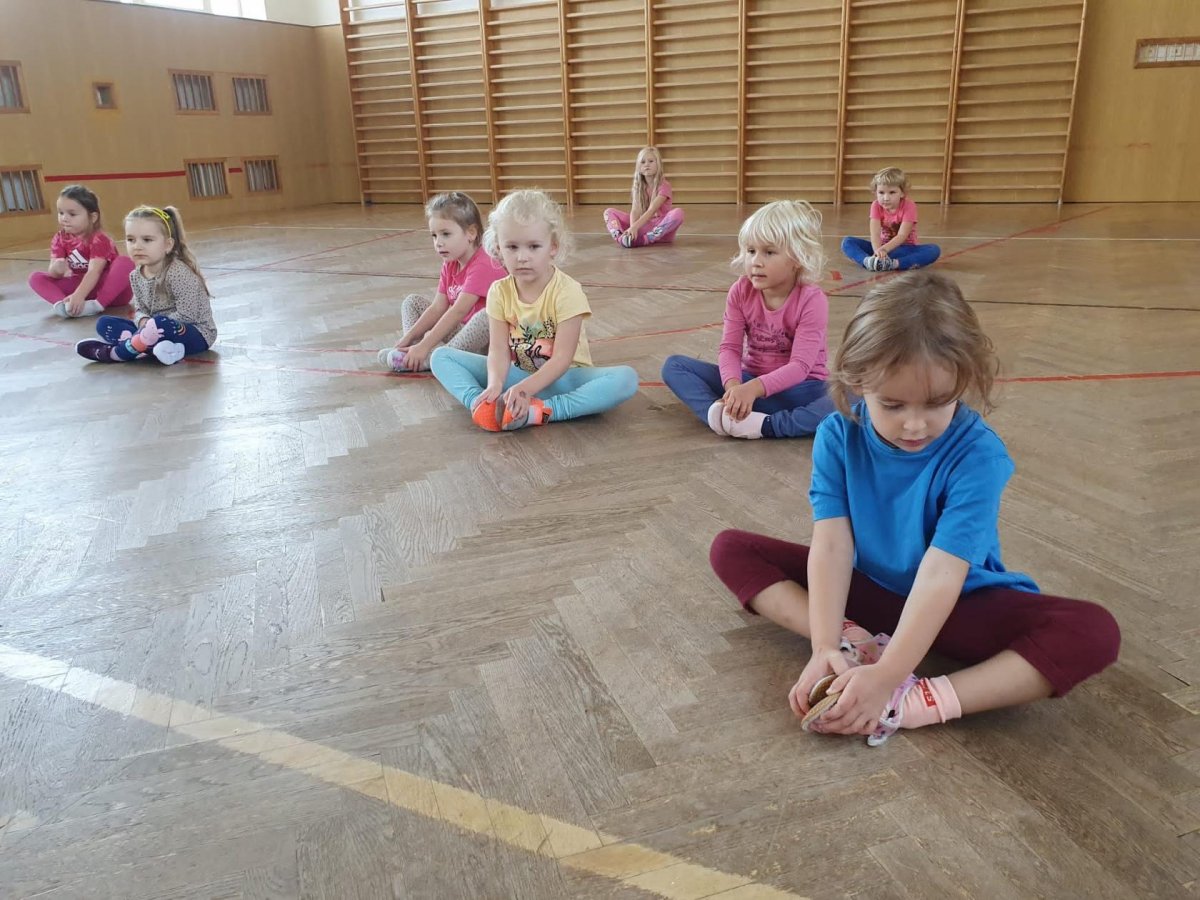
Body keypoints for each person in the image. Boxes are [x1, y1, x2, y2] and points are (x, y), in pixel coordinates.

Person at [710, 271, 1120, 746]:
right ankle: (851, 645)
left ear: (965, 382)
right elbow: (832, 544)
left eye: (938, 403)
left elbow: (943, 574)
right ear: (857, 381)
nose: (915, 425)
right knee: (731, 549)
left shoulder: (978, 454)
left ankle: (911, 703)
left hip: (959, 605)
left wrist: (888, 680)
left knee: (1094, 631)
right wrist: (824, 645)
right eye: (893, 405)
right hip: (874, 592)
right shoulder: (837, 435)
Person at [430, 190, 638, 431]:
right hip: (518, 376)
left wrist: (525, 390)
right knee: (441, 357)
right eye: (512, 247)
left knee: (626, 379)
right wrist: (495, 384)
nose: (522, 257)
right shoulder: (499, 291)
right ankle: (484, 407)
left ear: (553, 247)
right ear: (498, 248)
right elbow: (498, 351)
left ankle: (543, 411)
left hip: (565, 379)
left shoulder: (568, 291)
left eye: (533, 247)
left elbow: (562, 359)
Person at [661, 200, 835, 439]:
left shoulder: (812, 299)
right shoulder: (740, 291)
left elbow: (800, 367)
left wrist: (752, 390)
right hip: (748, 382)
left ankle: (768, 425)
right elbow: (729, 348)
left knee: (851, 396)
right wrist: (734, 388)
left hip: (800, 389)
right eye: (751, 251)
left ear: (797, 258)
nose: (756, 261)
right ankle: (722, 415)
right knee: (674, 366)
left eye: (769, 252)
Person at [377, 191, 507, 373]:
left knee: (488, 315)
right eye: (434, 235)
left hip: (489, 342)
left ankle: (435, 359)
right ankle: (409, 353)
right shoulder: (450, 263)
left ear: (471, 233)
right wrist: (407, 340)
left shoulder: (484, 263)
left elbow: (458, 311)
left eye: (446, 234)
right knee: (412, 302)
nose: (438, 242)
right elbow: (438, 307)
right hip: (462, 333)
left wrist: (425, 345)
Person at [75, 206, 217, 365]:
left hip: (194, 333)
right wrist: (143, 321)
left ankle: (119, 353)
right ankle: (158, 348)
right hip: (152, 330)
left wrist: (151, 326)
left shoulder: (178, 272)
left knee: (160, 324)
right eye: (131, 240)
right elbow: (140, 309)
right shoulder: (135, 275)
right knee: (104, 323)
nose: (137, 246)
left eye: (147, 240)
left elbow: (188, 315)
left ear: (168, 245)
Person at [28, 184, 135, 316]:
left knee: (125, 262)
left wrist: (79, 295)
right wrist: (57, 269)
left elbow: (94, 272)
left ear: (93, 217)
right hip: (81, 288)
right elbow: (53, 272)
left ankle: (96, 305)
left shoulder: (99, 239)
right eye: (61, 213)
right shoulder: (60, 238)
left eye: (72, 214)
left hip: (111, 293)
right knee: (36, 278)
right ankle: (65, 307)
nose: (64, 218)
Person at [841, 167, 940, 272]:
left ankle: (893, 264)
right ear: (875, 192)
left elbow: (902, 235)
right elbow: (875, 234)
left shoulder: (909, 206)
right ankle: (868, 262)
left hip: (904, 249)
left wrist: (884, 250)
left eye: (892, 192)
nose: (886, 198)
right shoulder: (875, 205)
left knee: (934, 250)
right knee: (848, 242)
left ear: (902, 193)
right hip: (881, 247)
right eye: (881, 192)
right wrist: (878, 252)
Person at [602, 147, 684, 248]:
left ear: (658, 164)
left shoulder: (664, 185)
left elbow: (651, 210)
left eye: (651, 161)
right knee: (609, 212)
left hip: (660, 230)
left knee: (678, 213)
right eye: (643, 162)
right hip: (642, 227)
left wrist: (635, 227)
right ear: (638, 166)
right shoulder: (638, 186)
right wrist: (633, 229)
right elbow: (635, 211)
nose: (647, 165)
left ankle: (645, 240)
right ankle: (623, 239)